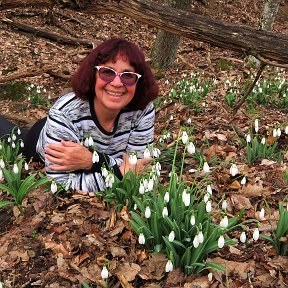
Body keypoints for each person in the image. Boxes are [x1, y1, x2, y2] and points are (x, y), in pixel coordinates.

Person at [0, 38, 159, 192]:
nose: (117, 83)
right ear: (93, 75)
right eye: (107, 73)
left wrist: (90, 161)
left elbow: (140, 168)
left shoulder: (142, 110)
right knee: (11, 137)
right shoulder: (65, 113)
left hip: (71, 130)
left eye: (128, 76)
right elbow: (60, 182)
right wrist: (119, 172)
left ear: (138, 82)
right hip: (41, 138)